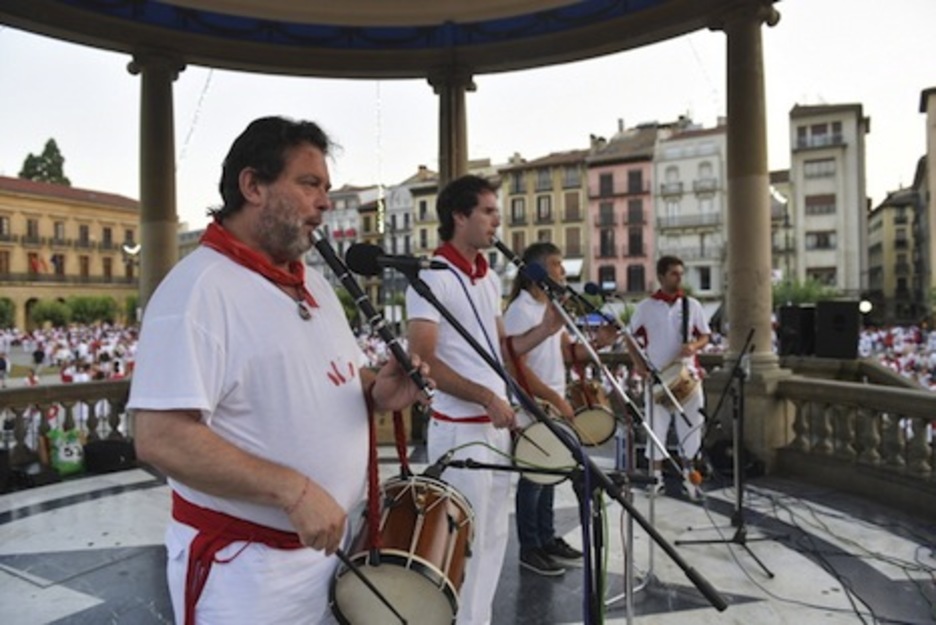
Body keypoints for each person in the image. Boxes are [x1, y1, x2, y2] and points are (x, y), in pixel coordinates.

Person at [128, 116, 429, 625]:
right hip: (247, 575)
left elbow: (330, 377)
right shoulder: (197, 290)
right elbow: (160, 437)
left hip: (329, 553)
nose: (325, 202)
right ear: (253, 186)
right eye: (309, 184)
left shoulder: (314, 285)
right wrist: (294, 491)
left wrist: (377, 390)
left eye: (327, 188)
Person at [405, 175, 564, 625]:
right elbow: (422, 359)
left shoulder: (489, 278)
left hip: (494, 427)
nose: (498, 221)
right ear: (460, 216)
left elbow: (501, 350)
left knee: (493, 540)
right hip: (460, 429)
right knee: (462, 544)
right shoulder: (431, 276)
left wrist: (545, 330)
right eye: (489, 212)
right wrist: (484, 397)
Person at [502, 242, 616, 577]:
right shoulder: (520, 311)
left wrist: (599, 343)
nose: (563, 271)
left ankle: (547, 538)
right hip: (533, 403)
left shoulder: (550, 308)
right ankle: (530, 547)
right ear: (537, 271)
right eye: (556, 264)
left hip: (550, 401)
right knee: (534, 477)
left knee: (550, 472)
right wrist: (555, 397)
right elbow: (516, 366)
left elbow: (568, 353)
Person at [626, 255, 711, 500]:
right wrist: (638, 365)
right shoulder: (646, 307)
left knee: (691, 428)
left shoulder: (692, 305)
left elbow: (705, 336)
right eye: (674, 273)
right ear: (661, 276)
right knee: (656, 430)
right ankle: (656, 480)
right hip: (658, 377)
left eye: (681, 274)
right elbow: (628, 336)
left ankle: (690, 479)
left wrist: (694, 346)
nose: (679, 278)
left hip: (687, 375)